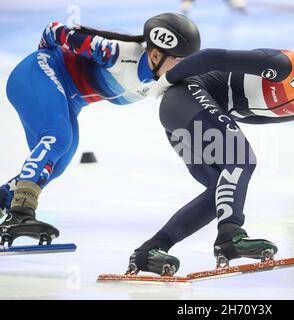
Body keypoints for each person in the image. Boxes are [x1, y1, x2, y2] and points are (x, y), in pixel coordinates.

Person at [126, 21, 294, 276]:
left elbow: (256, 115)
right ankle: (230, 237)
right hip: (184, 97)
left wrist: (220, 123)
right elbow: (213, 58)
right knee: (241, 160)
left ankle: (150, 250)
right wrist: (165, 81)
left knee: (222, 192)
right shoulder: (283, 66)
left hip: (191, 113)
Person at [0, 13, 201, 247]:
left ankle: (5, 199)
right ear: (155, 55)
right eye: (180, 62)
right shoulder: (116, 53)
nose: (186, 69)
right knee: (57, 138)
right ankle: (20, 213)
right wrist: (43, 63)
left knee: (59, 161)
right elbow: (52, 31)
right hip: (38, 72)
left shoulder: (164, 79)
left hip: (69, 99)